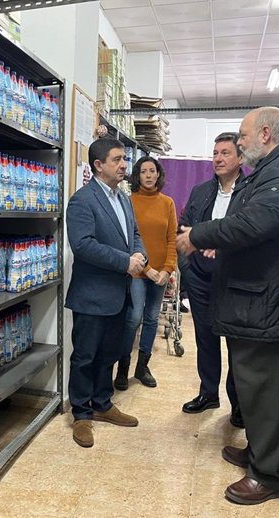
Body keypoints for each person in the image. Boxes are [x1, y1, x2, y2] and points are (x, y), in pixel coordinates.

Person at [176, 107, 279, 505]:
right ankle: (259, 452)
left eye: (242, 136)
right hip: (264, 297)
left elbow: (254, 223)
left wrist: (200, 235)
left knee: (264, 385)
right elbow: (254, 225)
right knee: (257, 385)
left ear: (265, 133)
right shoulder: (276, 169)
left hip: (272, 301)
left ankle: (267, 475)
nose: (238, 142)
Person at [66, 137, 148, 448]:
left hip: (120, 293)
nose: (125, 165)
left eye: (124, 159)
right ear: (99, 165)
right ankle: (82, 414)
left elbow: (134, 234)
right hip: (92, 295)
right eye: (117, 160)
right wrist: (125, 262)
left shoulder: (123, 198)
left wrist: (140, 256)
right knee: (85, 356)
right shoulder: (82, 200)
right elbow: (83, 245)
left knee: (108, 354)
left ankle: (102, 404)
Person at [179, 132, 244, 428]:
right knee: (205, 339)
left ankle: (238, 404)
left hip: (233, 280)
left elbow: (252, 233)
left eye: (225, 153)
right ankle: (208, 394)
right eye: (215, 153)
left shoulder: (251, 191)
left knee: (236, 343)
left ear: (240, 158)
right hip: (201, 277)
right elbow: (185, 227)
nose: (217, 158)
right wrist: (188, 268)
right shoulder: (201, 191)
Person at [114, 157, 177, 390]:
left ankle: (142, 367)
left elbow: (172, 238)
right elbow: (128, 241)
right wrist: (148, 269)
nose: (149, 175)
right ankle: (122, 367)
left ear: (158, 174)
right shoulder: (128, 202)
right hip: (138, 271)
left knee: (152, 318)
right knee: (133, 318)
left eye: (152, 171)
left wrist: (167, 269)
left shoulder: (167, 203)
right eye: (143, 171)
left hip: (161, 274)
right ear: (137, 176)